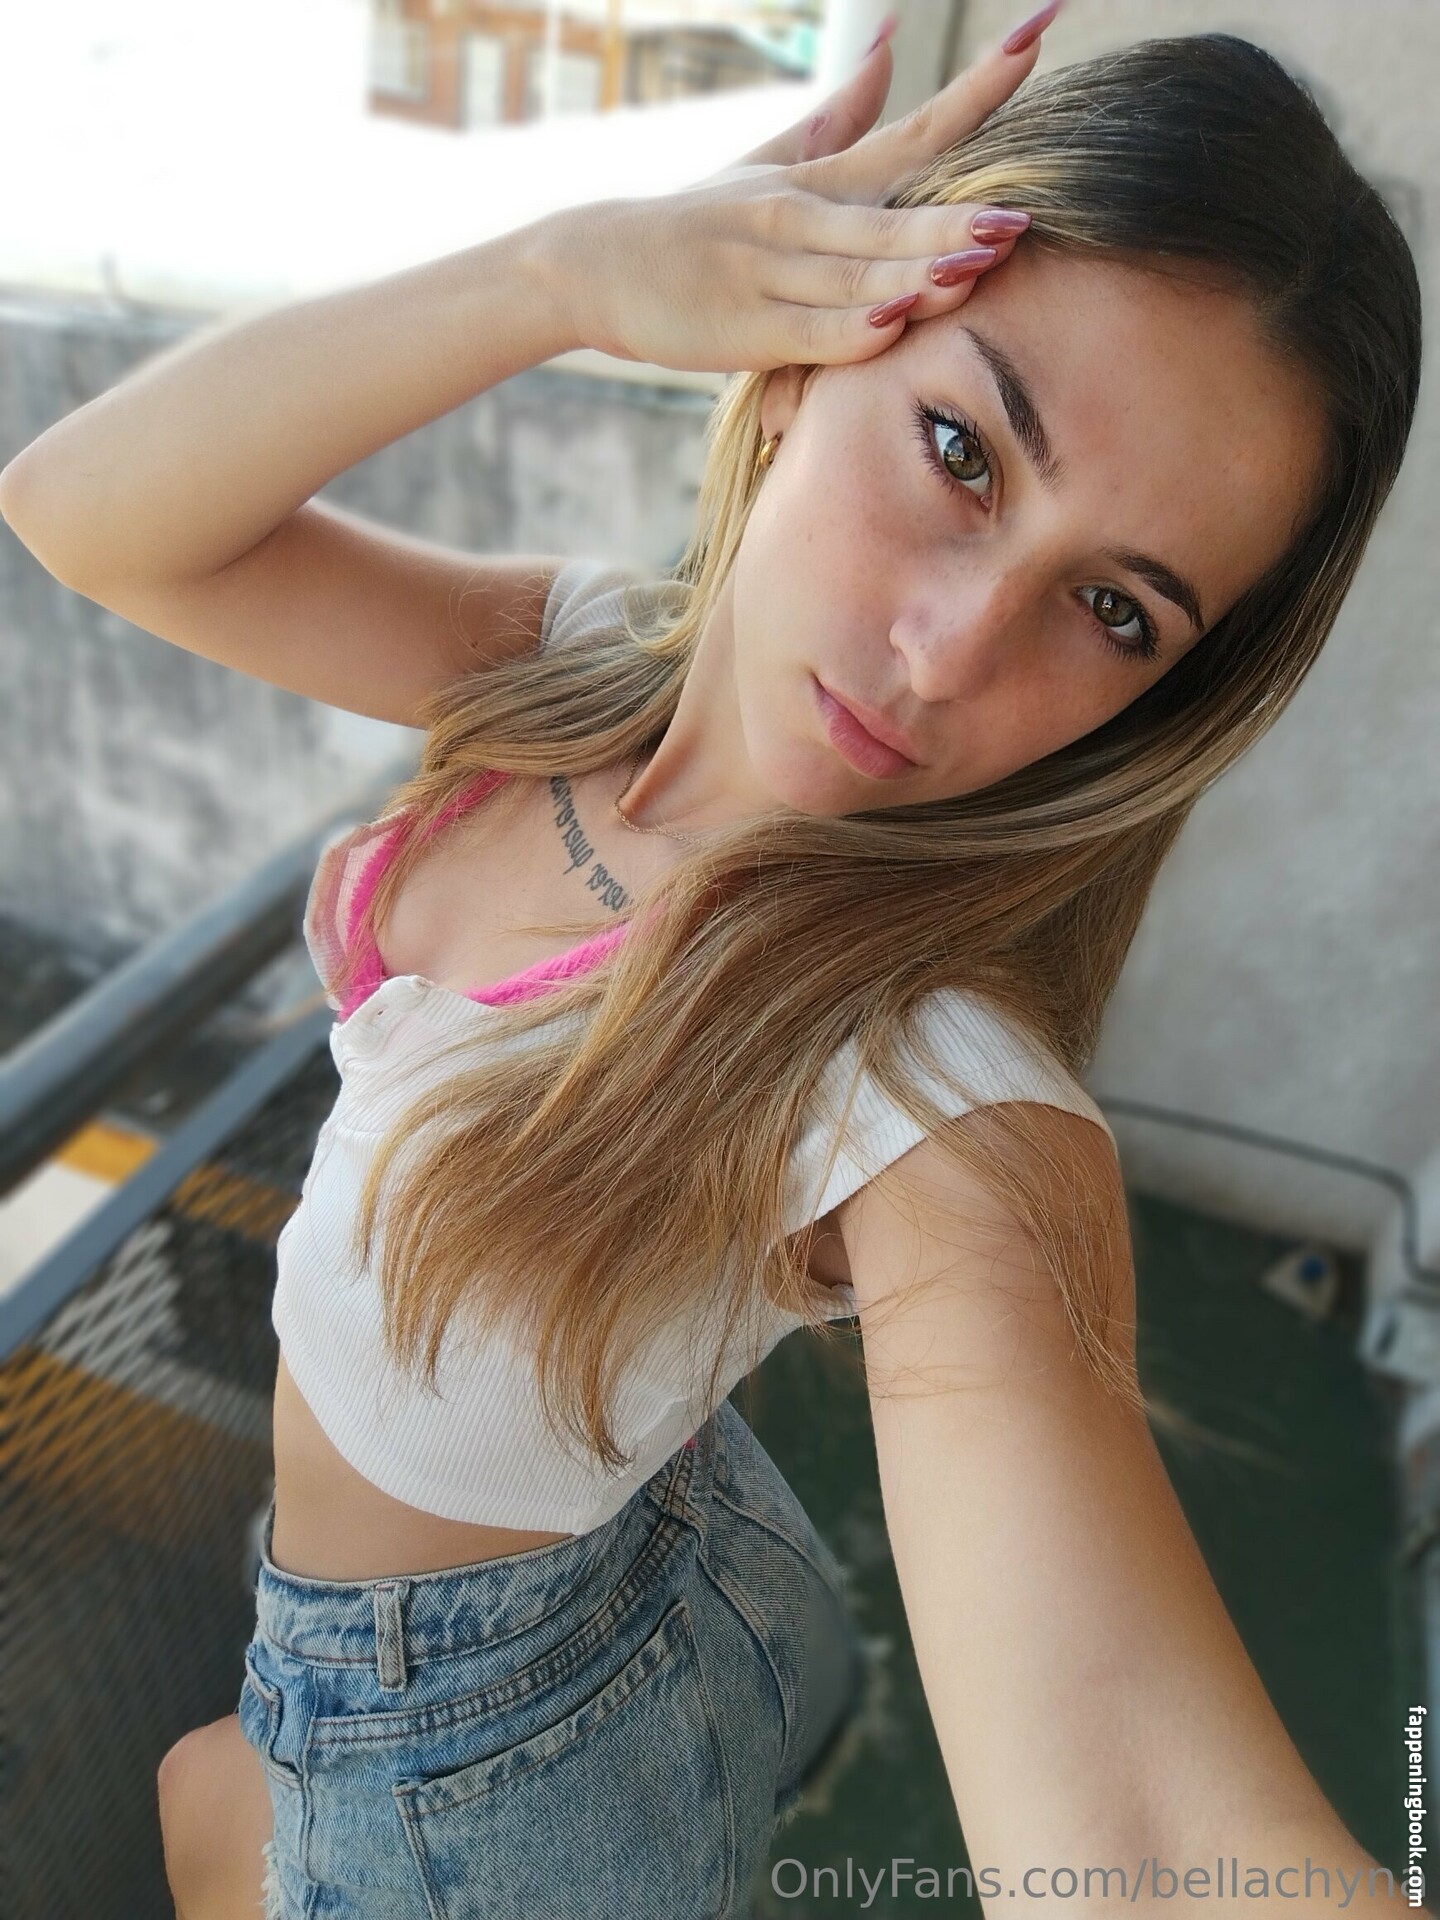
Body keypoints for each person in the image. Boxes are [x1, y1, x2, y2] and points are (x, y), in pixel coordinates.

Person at [0, 2, 1424, 1913]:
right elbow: (89, 516)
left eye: (1112, 609)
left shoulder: (921, 1080)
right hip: (539, 1591)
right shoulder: (583, 665)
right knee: (202, 1791)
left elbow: (1156, 1853)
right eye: (961, 448)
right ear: (797, 358)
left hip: (491, 1798)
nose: (946, 651)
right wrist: (564, 273)